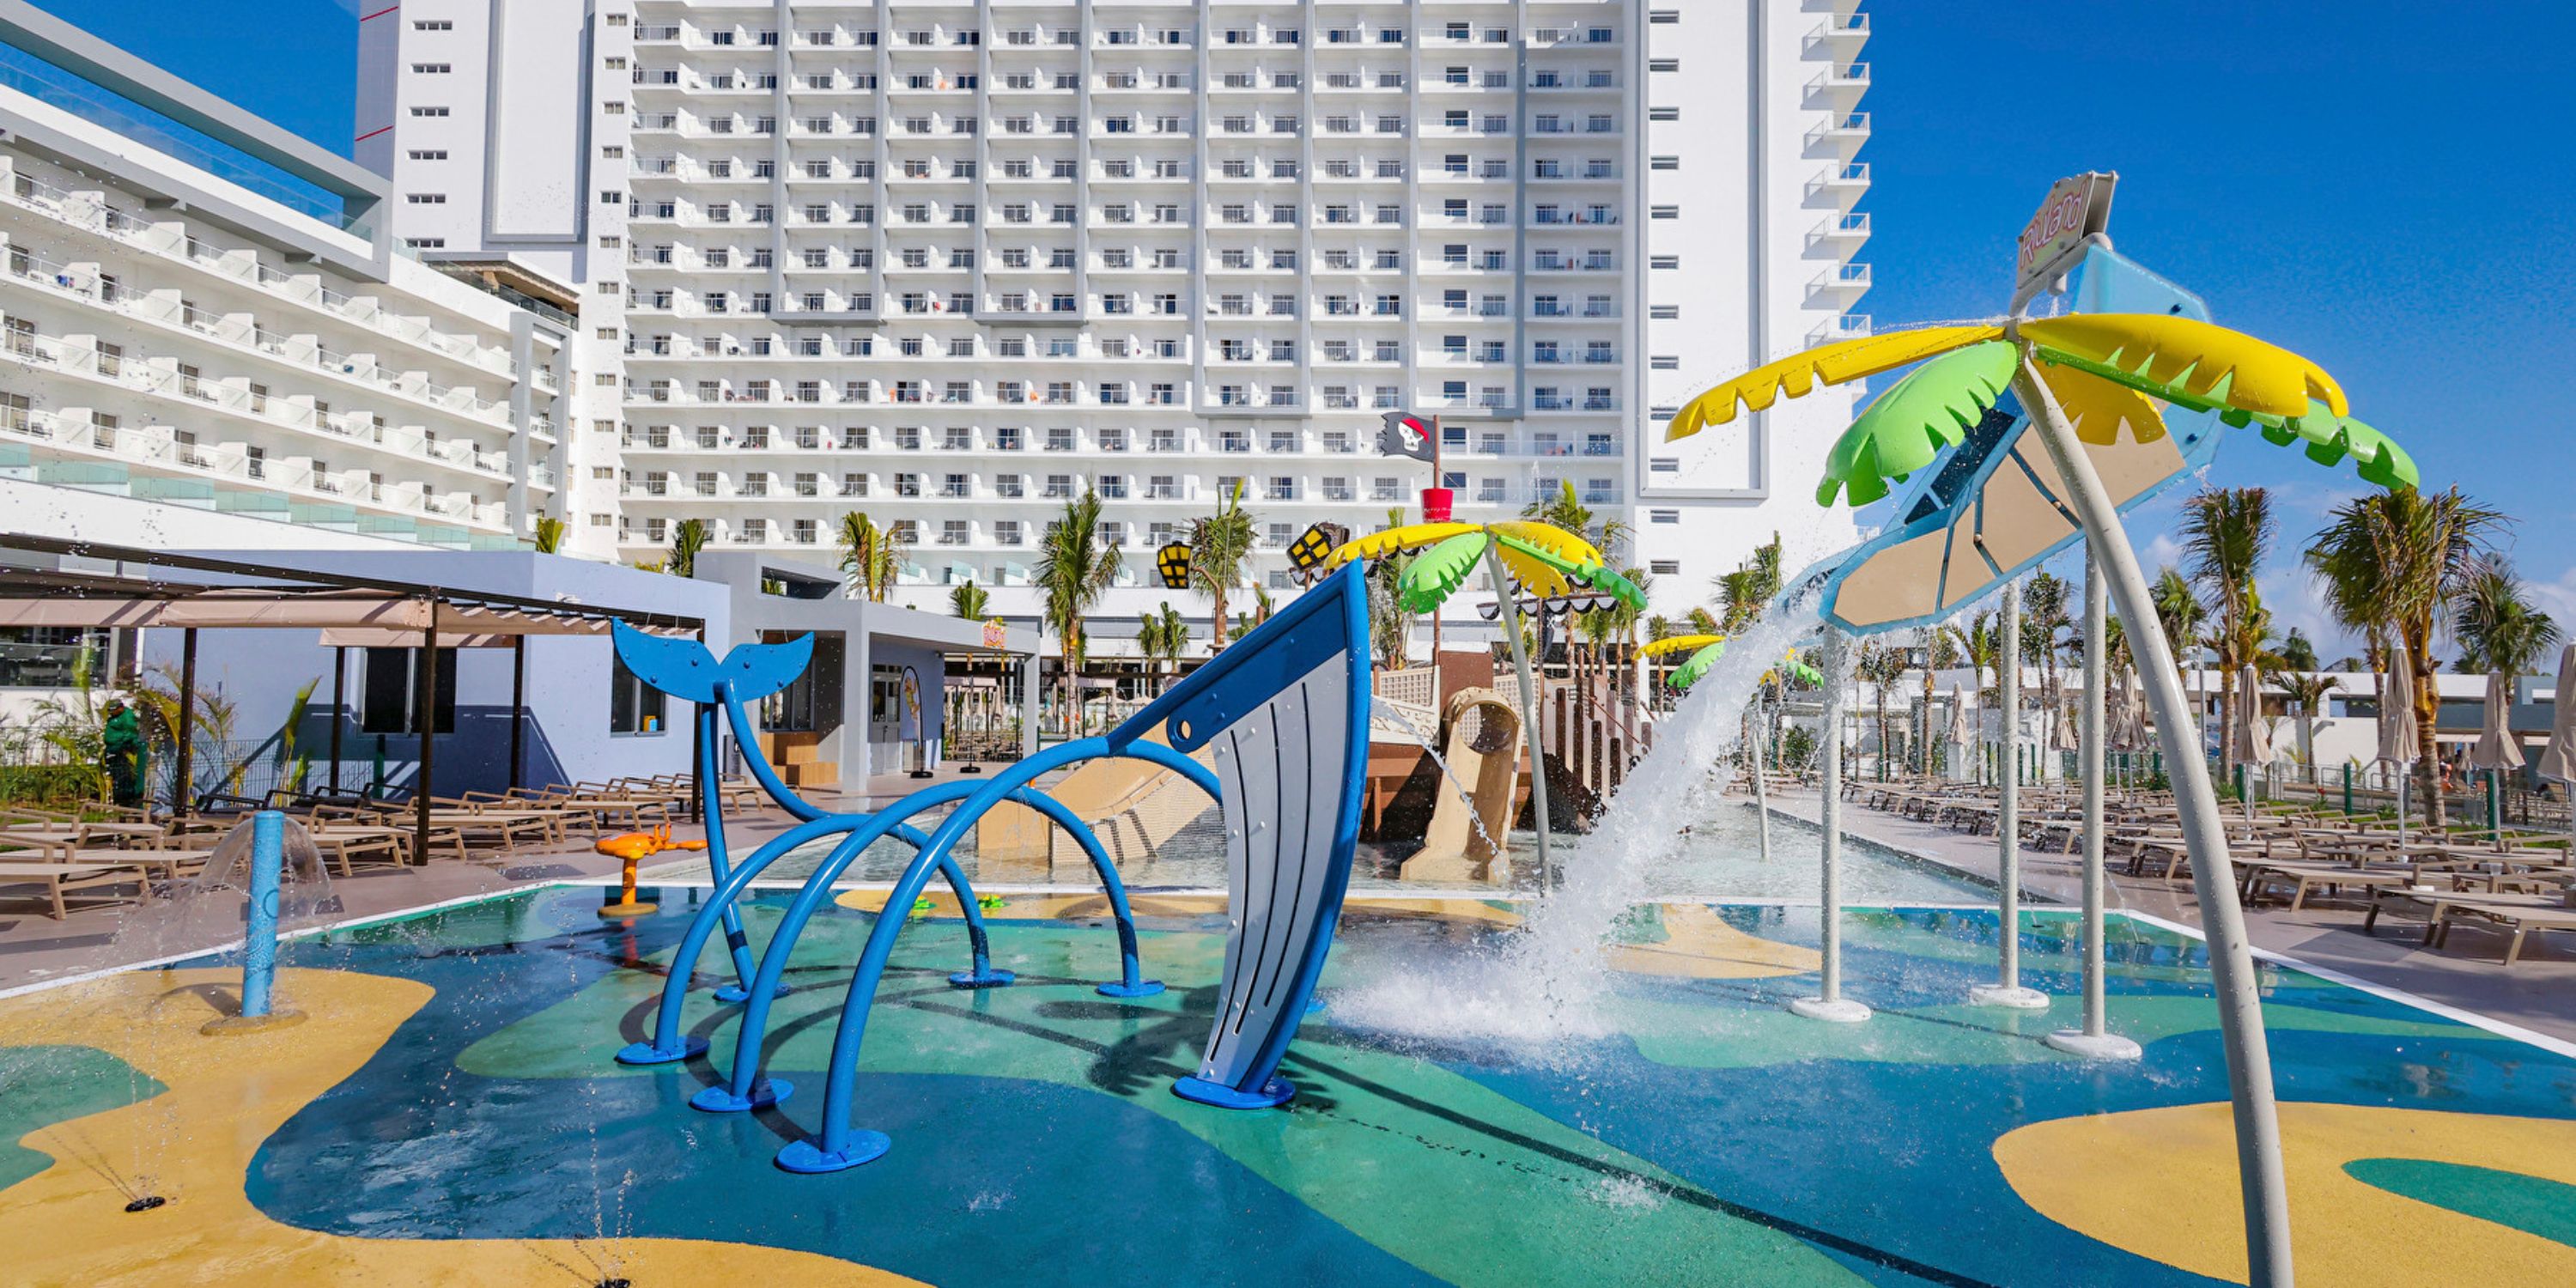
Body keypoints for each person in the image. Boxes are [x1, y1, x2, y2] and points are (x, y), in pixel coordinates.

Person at [100, 696, 143, 808]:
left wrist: (121, 743)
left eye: (113, 710)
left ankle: (127, 798)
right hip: (112, 750)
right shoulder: (114, 717)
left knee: (124, 776)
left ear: (120, 708)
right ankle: (120, 797)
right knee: (115, 776)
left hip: (120, 750)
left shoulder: (127, 717)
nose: (111, 712)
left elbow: (131, 732)